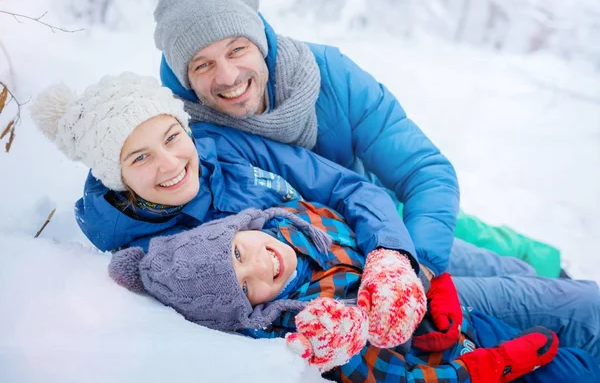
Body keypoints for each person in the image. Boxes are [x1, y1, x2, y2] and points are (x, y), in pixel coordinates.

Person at [150, 0, 600, 351]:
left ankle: (546, 267)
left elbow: (423, 171)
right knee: (543, 303)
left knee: (492, 252)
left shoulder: (326, 74)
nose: (227, 77)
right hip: (339, 264)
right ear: (185, 80)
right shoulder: (193, 144)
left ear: (262, 42)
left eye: (236, 50)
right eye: (202, 65)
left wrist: (414, 267)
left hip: (386, 219)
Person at [30, 73, 600, 360]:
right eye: (140, 157)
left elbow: (346, 185)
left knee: (529, 278)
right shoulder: (158, 253)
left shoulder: (222, 148)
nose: (173, 162)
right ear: (114, 173)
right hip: (375, 301)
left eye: (172, 136)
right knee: (576, 312)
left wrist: (392, 256)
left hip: (384, 243)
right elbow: (251, 316)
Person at [107, 201, 600, 382]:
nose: (261, 266)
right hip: (475, 362)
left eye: (240, 253)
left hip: (457, 314)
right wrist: (479, 370)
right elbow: (389, 377)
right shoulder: (312, 324)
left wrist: (430, 282)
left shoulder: (302, 218)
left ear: (240, 229)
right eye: (246, 289)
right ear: (250, 314)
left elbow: (371, 214)